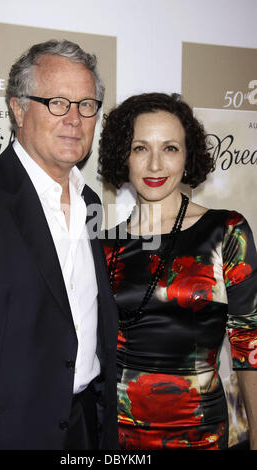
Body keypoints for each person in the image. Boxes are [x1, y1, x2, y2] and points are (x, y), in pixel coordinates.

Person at [0, 39, 118, 450]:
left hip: (87, 428)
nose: (75, 119)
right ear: (18, 108)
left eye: (86, 105)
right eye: (57, 102)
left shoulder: (92, 203)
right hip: (3, 435)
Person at [99, 92, 257, 450]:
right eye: (140, 148)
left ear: (188, 158)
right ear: (123, 156)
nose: (155, 165)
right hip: (118, 436)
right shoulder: (104, 245)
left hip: (201, 436)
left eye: (170, 148)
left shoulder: (225, 231)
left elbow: (250, 347)